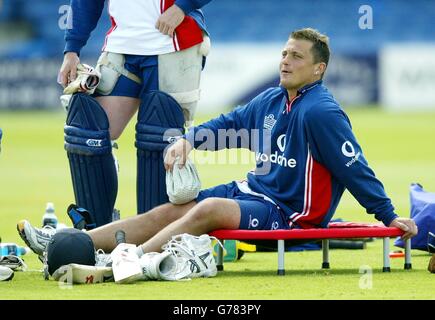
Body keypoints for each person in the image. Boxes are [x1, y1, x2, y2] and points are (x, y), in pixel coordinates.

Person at [20, 28, 417, 281]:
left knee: (207, 210)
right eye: (284, 53)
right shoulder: (274, 98)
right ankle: (74, 243)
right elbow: (230, 124)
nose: (285, 60)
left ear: (319, 69)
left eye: (296, 56)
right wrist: (188, 139)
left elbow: (354, 167)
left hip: (289, 213)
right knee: (171, 209)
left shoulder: (322, 112)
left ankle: (127, 261)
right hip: (256, 192)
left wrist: (386, 215)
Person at [59, 0, 212, 228]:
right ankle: (97, 234)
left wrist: (182, 7)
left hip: (174, 43)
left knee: (160, 138)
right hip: (122, 45)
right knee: (87, 132)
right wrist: (72, 49)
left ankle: (157, 240)